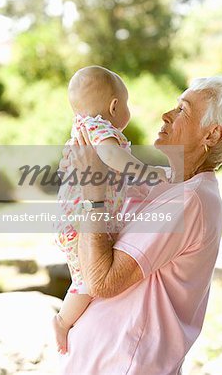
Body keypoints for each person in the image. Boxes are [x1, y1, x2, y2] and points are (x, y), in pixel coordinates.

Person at [58, 75, 222, 375]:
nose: (166, 115)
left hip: (123, 362)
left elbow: (102, 281)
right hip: (101, 358)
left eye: (183, 110)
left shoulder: (190, 201)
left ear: (213, 134)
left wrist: (92, 189)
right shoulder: (165, 183)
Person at [52, 66, 167, 354]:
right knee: (87, 281)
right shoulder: (100, 129)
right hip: (81, 223)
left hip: (74, 220)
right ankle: (63, 321)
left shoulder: (84, 126)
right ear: (115, 106)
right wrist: (146, 171)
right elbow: (111, 156)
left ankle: (69, 319)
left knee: (84, 277)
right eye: (127, 104)